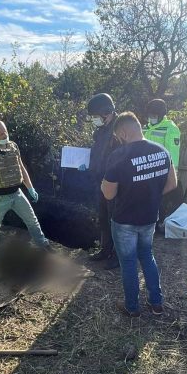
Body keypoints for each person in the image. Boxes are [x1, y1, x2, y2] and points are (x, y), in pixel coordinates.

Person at [101, 112, 178, 317]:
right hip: (150, 217)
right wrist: (150, 194)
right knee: (147, 256)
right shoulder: (162, 151)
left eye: (118, 136)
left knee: (128, 263)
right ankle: (156, 303)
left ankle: (132, 308)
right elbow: (172, 183)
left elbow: (108, 193)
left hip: (124, 219)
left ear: (124, 132)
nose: (118, 140)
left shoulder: (118, 156)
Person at [0, 119, 52, 259]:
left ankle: (43, 245)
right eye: (0, 134)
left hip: (17, 194)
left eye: (5, 132)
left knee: (32, 221)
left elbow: (21, 167)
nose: (5, 136)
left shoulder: (13, 146)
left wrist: (30, 188)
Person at [82, 93, 121, 270]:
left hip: (116, 184)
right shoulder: (101, 131)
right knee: (104, 218)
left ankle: (118, 255)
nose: (94, 120)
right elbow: (97, 154)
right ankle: (105, 250)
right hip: (100, 181)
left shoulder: (120, 129)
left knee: (117, 220)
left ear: (107, 112)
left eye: (96, 116)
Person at [142, 98, 183, 231]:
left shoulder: (171, 128)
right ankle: (150, 222)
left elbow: (173, 153)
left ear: (161, 114)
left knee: (161, 198)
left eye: (154, 116)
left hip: (162, 171)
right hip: (145, 169)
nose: (151, 118)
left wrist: (171, 172)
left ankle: (160, 224)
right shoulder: (146, 127)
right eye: (150, 115)